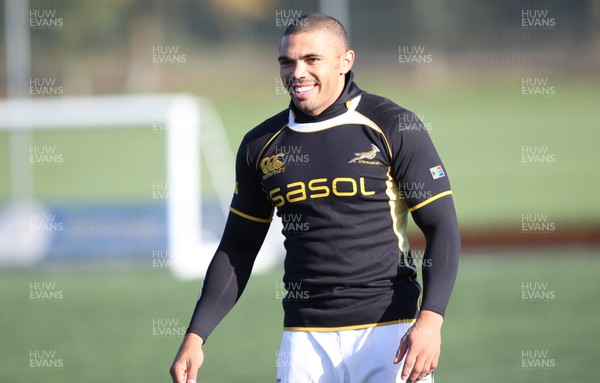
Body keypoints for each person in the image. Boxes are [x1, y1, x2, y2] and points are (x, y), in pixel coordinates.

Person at [170, 13, 460, 383]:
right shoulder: (261, 145)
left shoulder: (392, 125)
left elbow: (442, 227)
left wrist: (431, 320)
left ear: (345, 61)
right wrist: (196, 336)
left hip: (391, 334)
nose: (297, 72)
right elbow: (238, 247)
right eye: (286, 61)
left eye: (311, 60)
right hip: (303, 342)